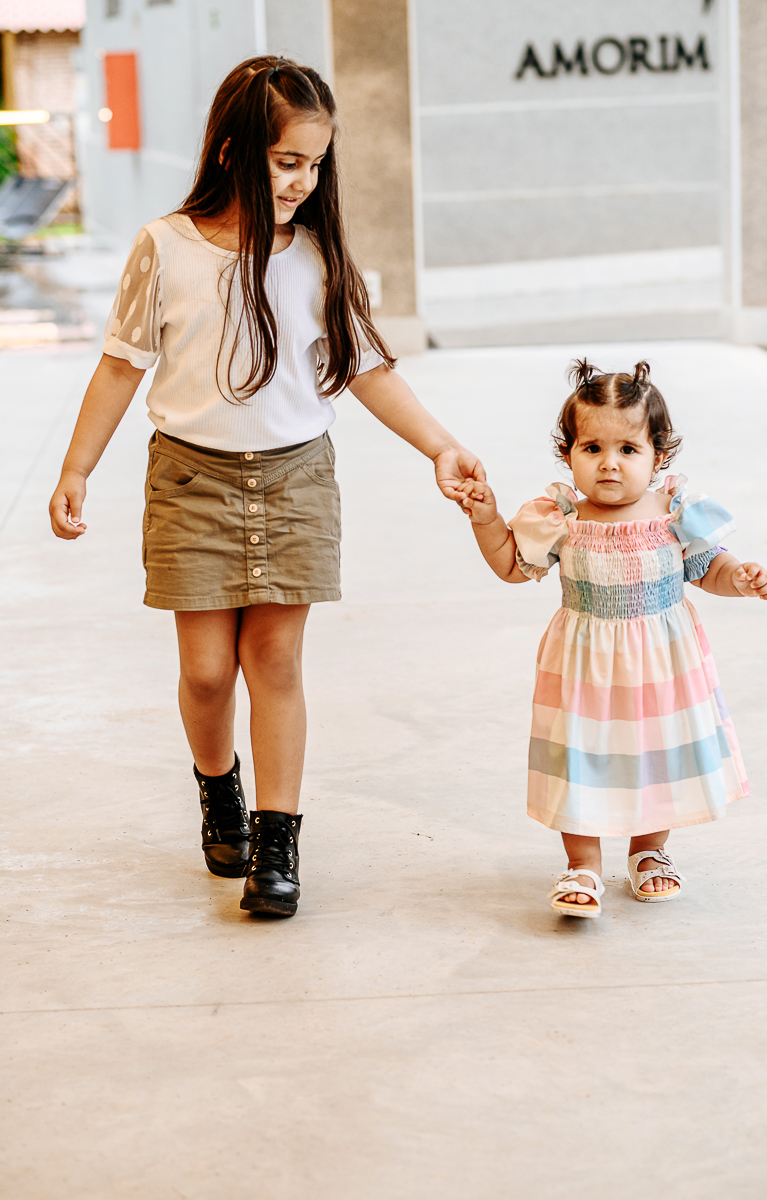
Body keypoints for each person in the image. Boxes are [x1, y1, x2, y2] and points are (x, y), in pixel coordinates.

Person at [48, 56, 483, 919]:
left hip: (294, 478)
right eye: (287, 161)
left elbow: (367, 371)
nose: (303, 180)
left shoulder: (316, 257)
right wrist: (76, 467)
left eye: (315, 163)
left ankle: (277, 839)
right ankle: (220, 787)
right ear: (229, 150)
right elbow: (118, 366)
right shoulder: (164, 248)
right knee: (208, 674)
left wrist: (441, 444)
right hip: (190, 478)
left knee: (273, 659)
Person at [455, 359, 767, 918]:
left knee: (658, 754)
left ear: (658, 455)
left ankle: (650, 852)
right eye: (592, 448)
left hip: (663, 664)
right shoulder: (561, 516)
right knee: (582, 758)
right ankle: (581, 863)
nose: (609, 464)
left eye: (628, 450)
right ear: (568, 453)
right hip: (584, 667)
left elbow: (707, 569)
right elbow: (511, 565)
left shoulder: (675, 512)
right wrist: (486, 520)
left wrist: (741, 578)